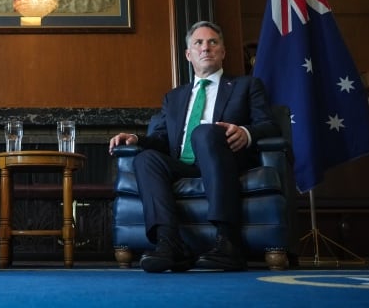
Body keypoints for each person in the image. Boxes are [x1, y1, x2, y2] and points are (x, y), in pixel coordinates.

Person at [108, 21, 279, 273]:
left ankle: (227, 242)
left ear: (223, 51)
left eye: (213, 42)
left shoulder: (247, 86)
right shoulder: (174, 97)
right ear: (189, 54)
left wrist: (246, 132)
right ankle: (170, 244)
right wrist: (137, 138)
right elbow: (161, 140)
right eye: (198, 43)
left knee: (205, 133)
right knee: (146, 159)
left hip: (226, 161)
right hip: (185, 164)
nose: (206, 48)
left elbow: (270, 126)